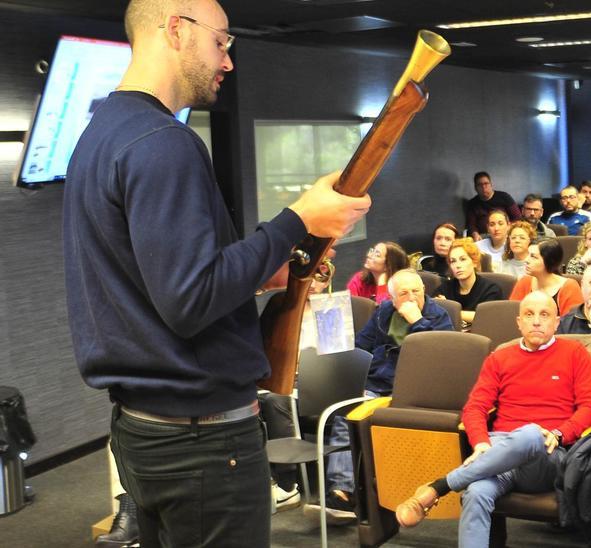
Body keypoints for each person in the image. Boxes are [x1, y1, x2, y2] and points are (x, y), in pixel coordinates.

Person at [64, 0, 370, 543]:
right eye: (221, 41)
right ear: (176, 30)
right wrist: (298, 219)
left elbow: (158, 281)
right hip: (200, 443)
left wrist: (258, 273)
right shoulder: (165, 142)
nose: (228, 61)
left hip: (143, 431)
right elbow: (190, 299)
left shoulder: (102, 134)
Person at [394, 293, 591, 538]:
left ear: (557, 323)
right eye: (529, 314)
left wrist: (560, 433)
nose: (536, 321)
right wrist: (481, 443)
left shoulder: (574, 353)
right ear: (518, 322)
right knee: (476, 492)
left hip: (547, 454)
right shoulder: (500, 358)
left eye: (544, 315)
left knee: (531, 434)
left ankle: (439, 487)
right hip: (499, 450)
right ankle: (452, 485)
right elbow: (475, 408)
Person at [318, 269, 453, 519]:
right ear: (391, 298)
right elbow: (361, 346)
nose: (412, 297)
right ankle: (341, 492)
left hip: (413, 390)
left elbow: (439, 357)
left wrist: (417, 322)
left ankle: (358, 491)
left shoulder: (439, 316)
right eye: (404, 293)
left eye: (416, 291)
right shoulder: (383, 313)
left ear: (425, 291)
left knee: (361, 418)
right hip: (375, 383)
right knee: (344, 415)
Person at [434, 238, 505, 327]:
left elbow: (487, 317)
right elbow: (432, 312)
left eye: (463, 259)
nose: (458, 265)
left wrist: (449, 310)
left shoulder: (491, 290)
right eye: (453, 261)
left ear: (474, 262)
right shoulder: (444, 289)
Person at [510, 238, 585, 316]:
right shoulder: (525, 282)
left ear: (549, 261)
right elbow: (512, 315)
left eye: (533, 257)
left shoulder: (569, 287)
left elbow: (571, 324)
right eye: (528, 254)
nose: (526, 260)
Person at [465, 171, 522, 237]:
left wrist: (507, 229)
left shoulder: (504, 197)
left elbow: (518, 218)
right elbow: (471, 225)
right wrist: (475, 234)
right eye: (480, 185)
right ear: (475, 188)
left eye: (486, 183)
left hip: (504, 234)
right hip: (483, 236)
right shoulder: (472, 203)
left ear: (491, 184)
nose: (483, 187)